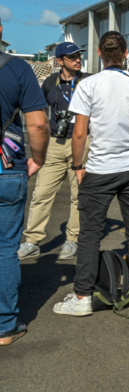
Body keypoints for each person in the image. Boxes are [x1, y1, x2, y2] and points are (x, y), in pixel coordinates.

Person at [53, 31, 129, 317]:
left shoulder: (88, 85)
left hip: (100, 168)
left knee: (90, 233)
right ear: (125, 53)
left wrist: (78, 167)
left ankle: (83, 295)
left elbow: (79, 133)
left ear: (98, 53)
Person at [0, 19, 49, 345]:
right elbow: (38, 124)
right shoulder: (18, 69)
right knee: (5, 248)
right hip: (7, 168)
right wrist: (38, 158)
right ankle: (4, 326)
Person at [18, 42, 89, 261]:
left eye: (78, 56)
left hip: (82, 142)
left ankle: (72, 239)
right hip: (55, 143)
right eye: (72, 57)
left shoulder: (88, 81)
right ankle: (32, 241)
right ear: (60, 61)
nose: (77, 60)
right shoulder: (50, 82)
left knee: (78, 195)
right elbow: (39, 110)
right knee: (41, 194)